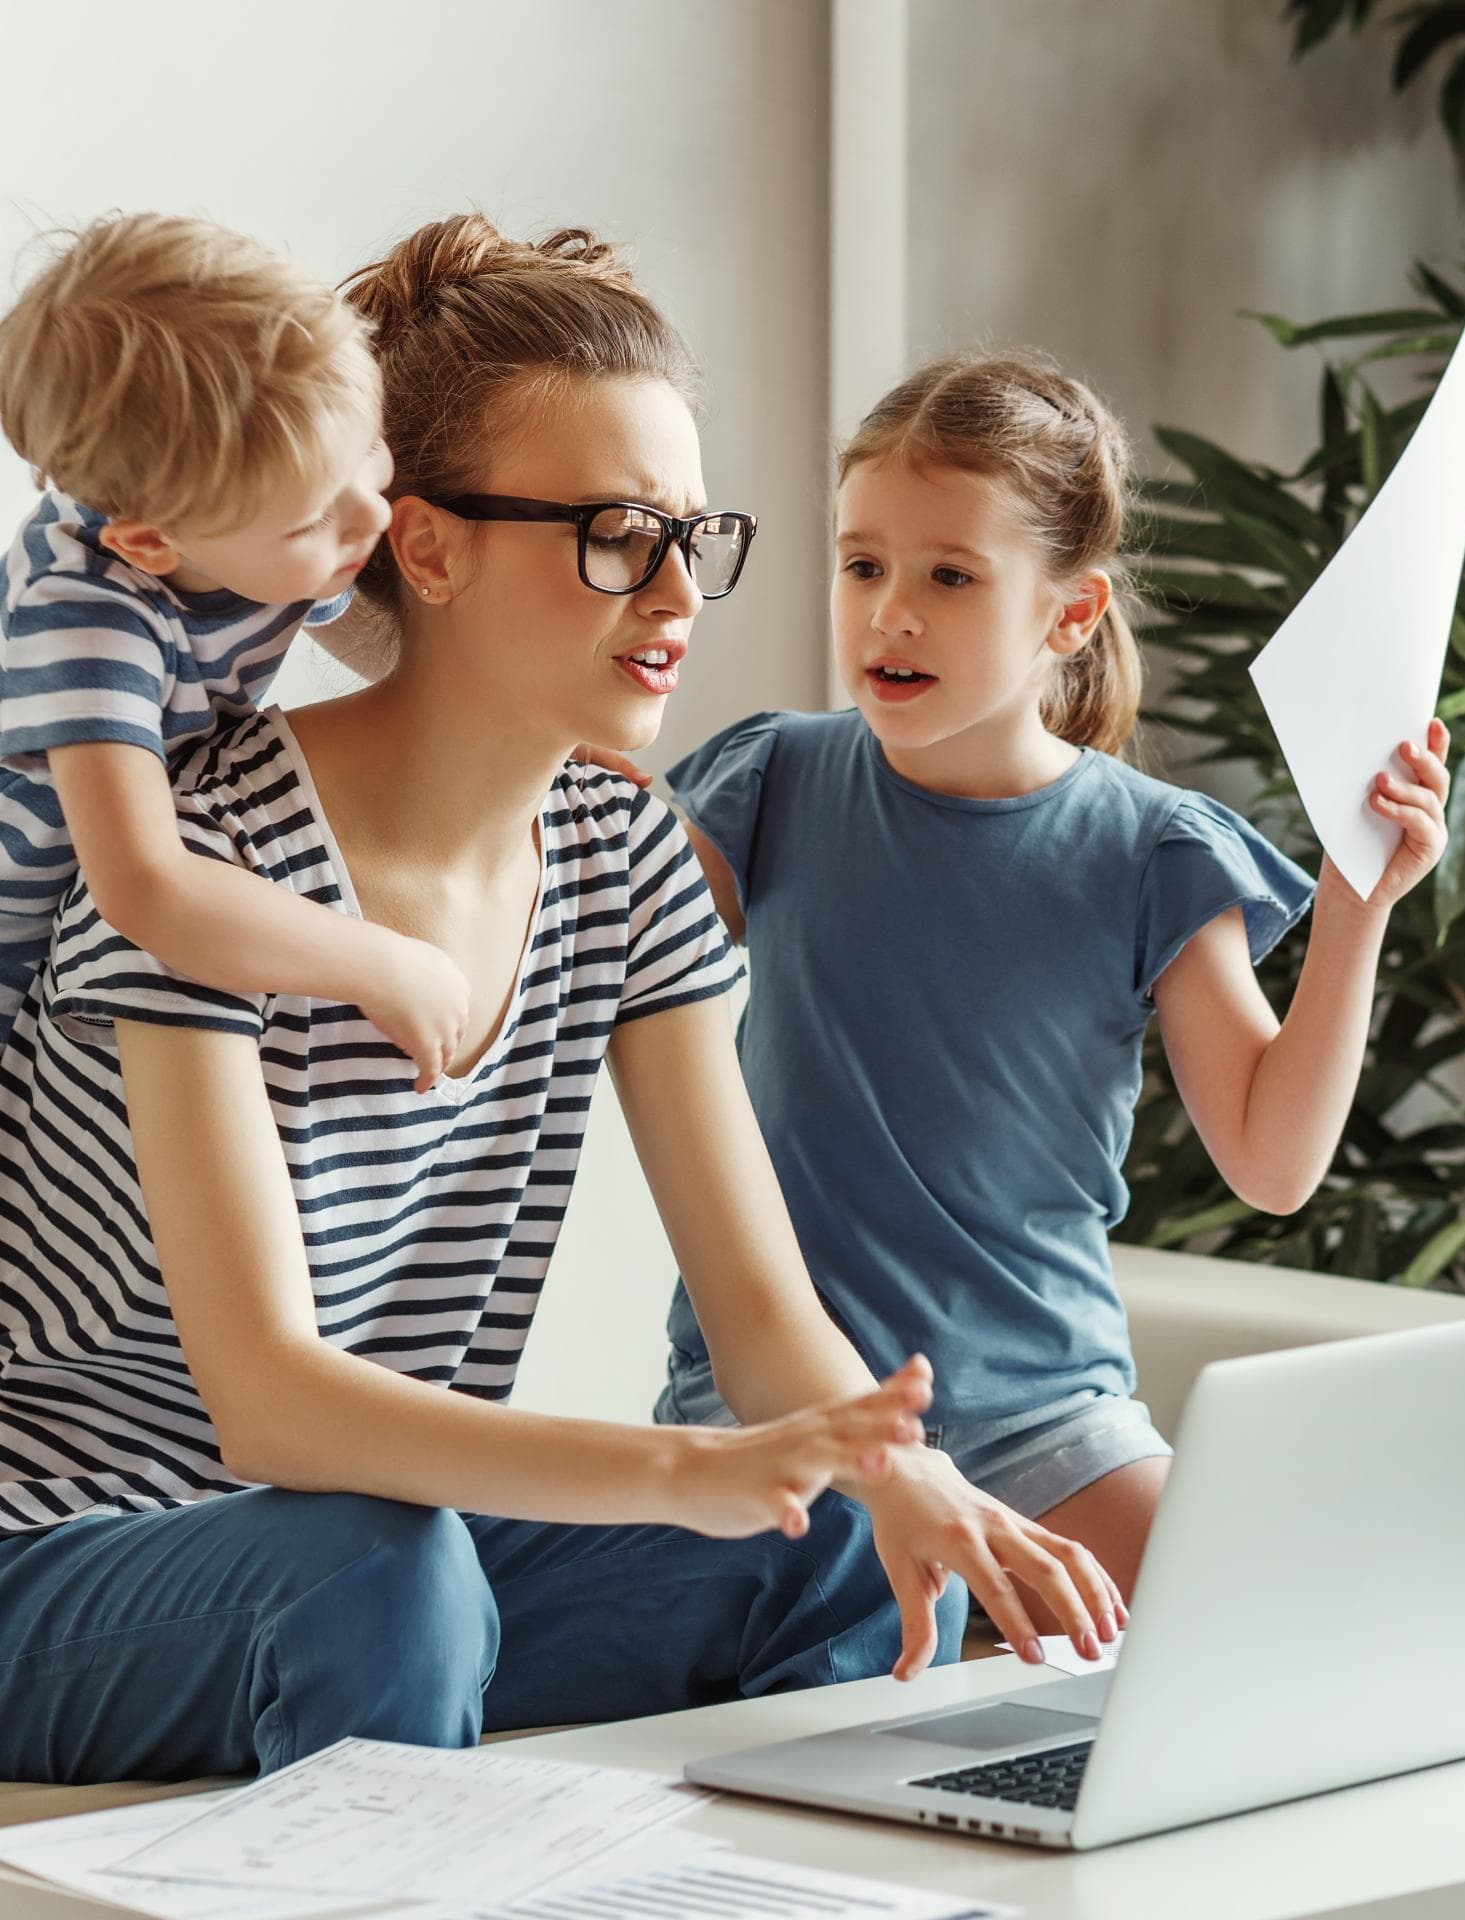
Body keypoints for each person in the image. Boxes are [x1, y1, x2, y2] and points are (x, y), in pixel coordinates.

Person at [0, 220, 1119, 1788]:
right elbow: (267, 1413)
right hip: (71, 1556)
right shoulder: (208, 856)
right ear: (430, 547)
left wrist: (898, 1475)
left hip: (393, 1554)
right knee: (376, 1574)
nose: (675, 592)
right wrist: (687, 1469)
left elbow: (763, 1319)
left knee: (826, 1544)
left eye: (690, 532)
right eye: (610, 533)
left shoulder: (621, 850)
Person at [661, 350, 1452, 1616]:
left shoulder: (1155, 852)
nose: (889, 614)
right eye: (862, 565)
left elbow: (1271, 1161)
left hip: (1048, 1423)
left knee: (1245, 1642)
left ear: (1069, 614)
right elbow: (575, 972)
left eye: (950, 577)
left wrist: (1359, 909)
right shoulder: (769, 787)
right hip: (787, 1420)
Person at [0, 211, 473, 1086]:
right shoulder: (83, 613)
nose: (371, 515)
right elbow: (146, 886)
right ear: (150, 545)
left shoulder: (275, 516)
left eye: (368, 451)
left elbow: (386, 643)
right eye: (312, 518)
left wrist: (512, 714)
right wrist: (379, 963)